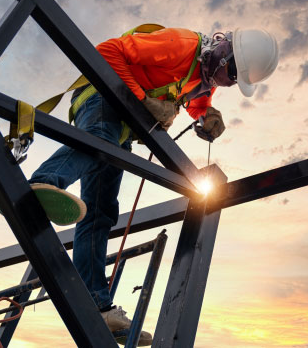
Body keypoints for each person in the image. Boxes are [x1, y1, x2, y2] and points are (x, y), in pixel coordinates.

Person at [26, 27, 279, 345]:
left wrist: (207, 114)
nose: (228, 82)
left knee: (101, 211)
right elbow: (107, 51)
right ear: (222, 53)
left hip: (122, 127)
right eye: (232, 73)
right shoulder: (182, 45)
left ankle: (97, 305)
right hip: (101, 99)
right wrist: (143, 99)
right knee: (101, 139)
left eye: (235, 80)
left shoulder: (201, 77)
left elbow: (195, 101)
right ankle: (44, 182)